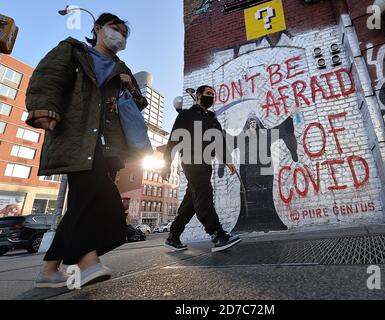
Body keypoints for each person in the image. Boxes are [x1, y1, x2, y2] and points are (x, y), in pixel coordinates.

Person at [26, 13, 148, 288]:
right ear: (97, 29)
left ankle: (48, 270)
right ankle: (87, 262)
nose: (120, 36)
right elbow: (47, 79)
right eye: (114, 29)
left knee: (82, 203)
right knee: (102, 199)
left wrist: (131, 87)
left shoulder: (122, 67)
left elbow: (138, 106)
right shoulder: (72, 51)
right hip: (78, 138)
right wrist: (44, 110)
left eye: (124, 34)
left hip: (111, 145)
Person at [161, 85, 242, 252]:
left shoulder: (212, 119)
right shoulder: (186, 115)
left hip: (206, 163)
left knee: (191, 202)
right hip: (191, 160)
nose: (211, 97)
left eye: (213, 94)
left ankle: (173, 236)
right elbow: (173, 139)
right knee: (204, 192)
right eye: (208, 94)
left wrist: (228, 161)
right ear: (198, 96)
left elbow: (219, 142)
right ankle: (217, 234)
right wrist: (167, 163)